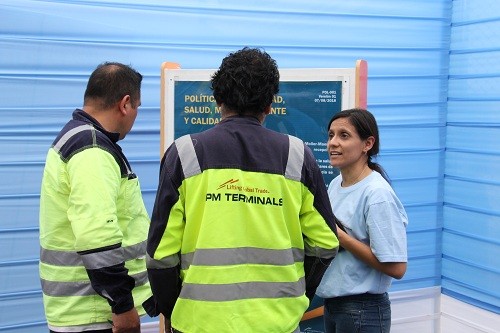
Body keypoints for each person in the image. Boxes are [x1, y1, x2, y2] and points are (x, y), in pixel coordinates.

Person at [146, 47, 340, 333]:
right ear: (269, 106)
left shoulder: (186, 153)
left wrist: (175, 309)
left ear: (218, 99)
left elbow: (160, 254)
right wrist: (296, 296)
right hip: (277, 323)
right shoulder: (297, 156)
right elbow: (325, 243)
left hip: (199, 322)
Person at [39, 62, 155, 333]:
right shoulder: (91, 149)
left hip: (83, 310)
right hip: (94, 312)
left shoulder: (74, 137)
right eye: (137, 106)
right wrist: (122, 306)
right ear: (125, 104)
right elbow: (96, 237)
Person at [316, 108, 409, 333]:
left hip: (362, 311)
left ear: (367, 144)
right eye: (330, 135)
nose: (333, 143)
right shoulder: (335, 185)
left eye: (344, 136)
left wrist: (341, 238)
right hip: (334, 306)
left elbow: (397, 267)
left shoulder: (377, 194)